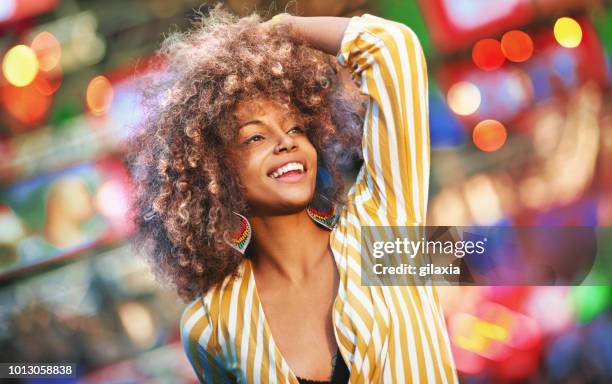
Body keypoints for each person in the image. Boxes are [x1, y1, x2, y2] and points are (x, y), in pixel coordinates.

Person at [128, 4, 458, 383]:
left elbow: (392, 47)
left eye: (296, 128)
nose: (285, 142)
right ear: (212, 170)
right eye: (255, 137)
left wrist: (279, 31)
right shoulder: (211, 325)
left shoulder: (382, 227)